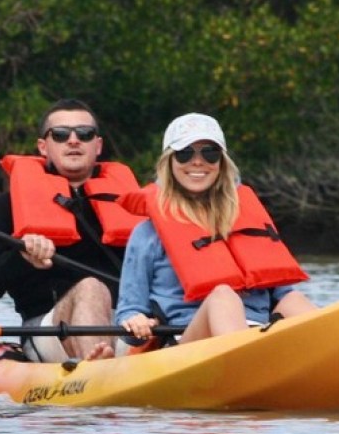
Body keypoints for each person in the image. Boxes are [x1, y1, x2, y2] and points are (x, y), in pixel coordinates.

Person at [0, 99, 142, 361]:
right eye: (61, 134)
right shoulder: (7, 207)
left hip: (133, 327)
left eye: (84, 134)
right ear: (44, 146)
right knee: (90, 287)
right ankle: (100, 373)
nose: (74, 140)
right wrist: (19, 257)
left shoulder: (135, 205)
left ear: (98, 145)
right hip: (50, 331)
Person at [116, 112, 316, 348]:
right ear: (169, 162)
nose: (197, 162)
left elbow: (282, 294)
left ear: (221, 163)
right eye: (185, 153)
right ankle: (246, 365)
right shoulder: (146, 234)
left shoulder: (249, 221)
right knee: (223, 295)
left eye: (209, 153)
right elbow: (128, 311)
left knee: (295, 299)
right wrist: (135, 321)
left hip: (258, 332)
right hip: (189, 342)